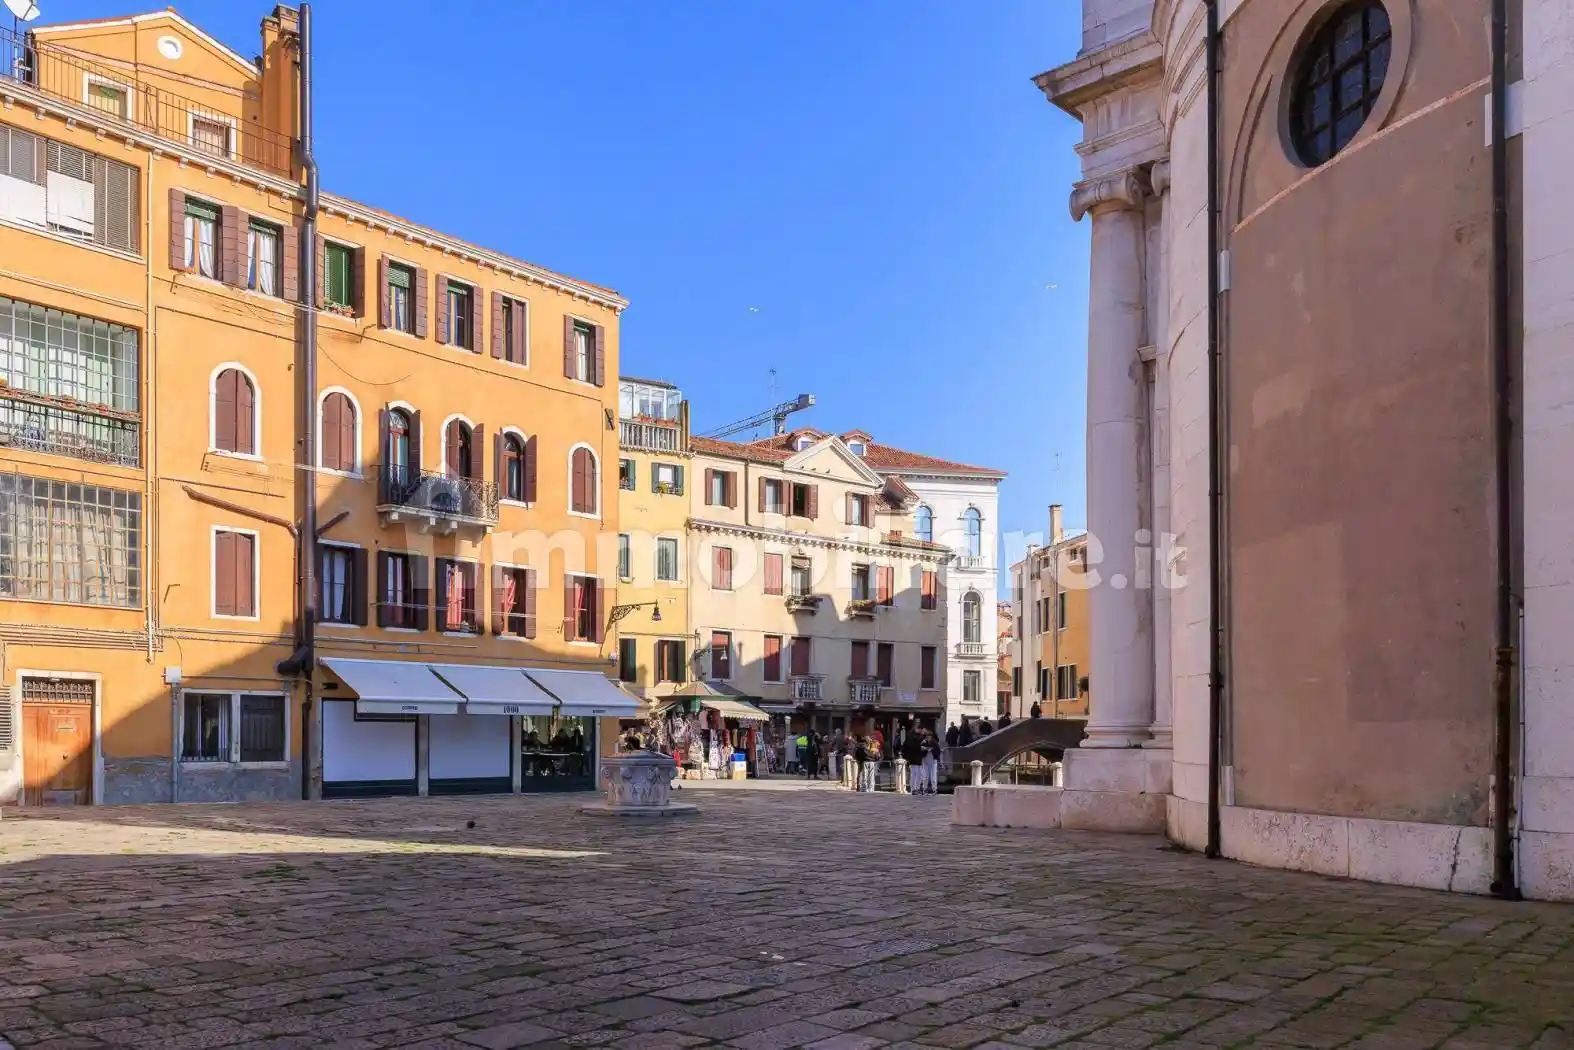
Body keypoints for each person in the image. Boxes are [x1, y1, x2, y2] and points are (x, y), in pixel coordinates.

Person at [902, 726, 926, 794]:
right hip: (913, 758)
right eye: (920, 730)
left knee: (918, 774)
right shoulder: (912, 736)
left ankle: (916, 788)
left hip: (916, 758)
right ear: (917, 729)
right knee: (914, 774)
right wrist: (920, 746)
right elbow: (913, 745)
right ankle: (913, 789)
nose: (921, 732)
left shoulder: (913, 736)